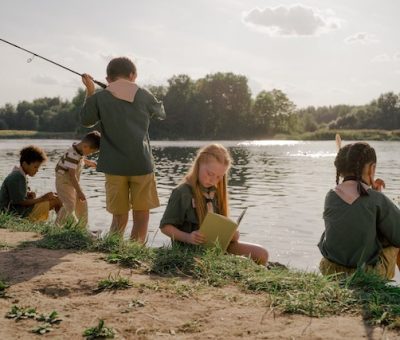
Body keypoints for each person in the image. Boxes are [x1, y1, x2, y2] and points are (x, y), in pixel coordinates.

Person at [80, 57, 165, 243]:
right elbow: (161, 113)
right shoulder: (143, 94)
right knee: (141, 214)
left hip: (114, 166)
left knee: (119, 215)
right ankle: (135, 251)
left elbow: (86, 120)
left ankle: (115, 248)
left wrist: (90, 91)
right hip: (141, 164)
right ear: (133, 75)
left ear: (108, 79)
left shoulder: (100, 97)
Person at [159, 144, 269, 265]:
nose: (213, 180)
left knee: (262, 254)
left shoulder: (215, 192)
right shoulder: (182, 192)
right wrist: (188, 237)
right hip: (191, 251)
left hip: (215, 247)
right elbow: (165, 227)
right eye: (210, 174)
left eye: (219, 177)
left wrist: (231, 234)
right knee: (243, 262)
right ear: (199, 164)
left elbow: (219, 226)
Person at [318, 142, 400, 279]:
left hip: (331, 270)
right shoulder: (376, 199)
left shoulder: (330, 195)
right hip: (365, 274)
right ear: (371, 169)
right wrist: (379, 197)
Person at [0, 145, 61, 222]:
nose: (37, 170)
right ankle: (61, 225)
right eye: (35, 167)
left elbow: (17, 198)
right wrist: (43, 198)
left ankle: (59, 224)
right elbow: (20, 202)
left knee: (57, 196)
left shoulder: (19, 174)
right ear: (25, 164)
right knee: (57, 200)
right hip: (16, 215)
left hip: (20, 212)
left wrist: (28, 194)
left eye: (38, 167)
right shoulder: (17, 177)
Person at [55, 131, 101, 227]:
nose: (91, 154)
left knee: (82, 203)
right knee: (69, 205)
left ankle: (82, 228)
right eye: (91, 152)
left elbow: (80, 158)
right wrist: (79, 191)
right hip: (64, 182)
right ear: (85, 146)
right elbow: (72, 175)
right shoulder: (73, 154)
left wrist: (89, 162)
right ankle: (57, 226)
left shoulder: (79, 150)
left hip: (72, 182)